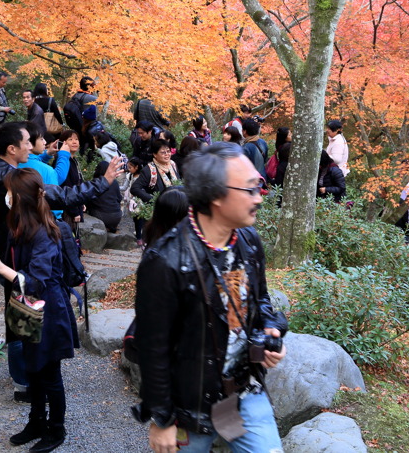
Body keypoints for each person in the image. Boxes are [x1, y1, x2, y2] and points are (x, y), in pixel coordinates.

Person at [134, 143, 286, 453]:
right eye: (250, 189)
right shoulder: (165, 261)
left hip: (242, 394)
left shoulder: (247, 240)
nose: (259, 197)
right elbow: (153, 349)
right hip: (190, 407)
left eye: (259, 185)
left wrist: (270, 329)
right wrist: (162, 419)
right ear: (216, 197)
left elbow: (261, 302)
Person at [0, 122, 120, 402]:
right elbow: (62, 194)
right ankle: (28, 381)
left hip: (7, 251)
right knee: (23, 310)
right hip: (17, 254)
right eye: (28, 142)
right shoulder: (15, 184)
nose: (32, 146)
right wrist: (105, 181)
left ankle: (24, 380)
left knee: (16, 311)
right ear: (12, 148)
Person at [0, 169, 80, 453]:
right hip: (26, 305)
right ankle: (36, 421)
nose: (6, 196)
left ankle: (56, 429)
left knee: (49, 373)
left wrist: (0, 267)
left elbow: (37, 280)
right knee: (32, 369)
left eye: (9, 192)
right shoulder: (19, 225)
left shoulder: (46, 233)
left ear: (20, 197)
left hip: (49, 311)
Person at [131, 139, 181, 247]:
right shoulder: (149, 170)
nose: (167, 154)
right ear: (154, 154)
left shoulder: (172, 165)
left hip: (173, 212)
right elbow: (135, 188)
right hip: (156, 215)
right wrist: (153, 200)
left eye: (168, 151)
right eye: (163, 152)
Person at [18, 123, 63, 220]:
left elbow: (32, 160)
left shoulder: (15, 163)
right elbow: (58, 181)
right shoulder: (47, 170)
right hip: (46, 220)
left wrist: (47, 154)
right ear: (29, 142)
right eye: (41, 138)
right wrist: (64, 155)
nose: (45, 142)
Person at [87, 160, 124, 233]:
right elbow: (119, 198)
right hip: (117, 216)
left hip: (102, 216)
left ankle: (106, 227)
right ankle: (112, 227)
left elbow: (89, 199)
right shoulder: (114, 182)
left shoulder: (95, 182)